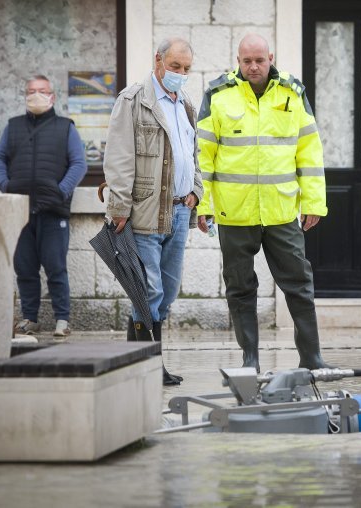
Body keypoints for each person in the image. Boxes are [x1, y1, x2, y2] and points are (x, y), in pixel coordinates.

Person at [196, 33, 331, 373]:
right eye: (246, 61)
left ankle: (311, 357)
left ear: (271, 57)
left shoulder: (292, 92)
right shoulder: (217, 94)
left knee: (299, 285)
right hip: (234, 213)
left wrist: (313, 201)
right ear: (237, 60)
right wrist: (203, 205)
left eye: (260, 60)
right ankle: (250, 357)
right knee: (240, 289)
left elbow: (309, 151)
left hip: (281, 211)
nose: (253, 66)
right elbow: (203, 157)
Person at [102, 38, 203, 386]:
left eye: (187, 69)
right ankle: (149, 368)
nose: (181, 74)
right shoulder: (133, 101)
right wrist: (118, 208)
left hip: (177, 212)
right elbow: (118, 158)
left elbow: (193, 155)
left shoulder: (185, 103)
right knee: (149, 292)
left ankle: (137, 365)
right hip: (143, 212)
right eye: (175, 67)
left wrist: (196, 193)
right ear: (158, 61)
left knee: (167, 293)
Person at [0, 74, 87, 340]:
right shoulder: (13, 127)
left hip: (53, 209)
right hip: (20, 210)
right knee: (25, 268)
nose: (36, 95)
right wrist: (5, 185)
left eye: (41, 90)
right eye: (31, 91)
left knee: (56, 268)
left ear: (52, 96)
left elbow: (79, 164)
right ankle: (30, 318)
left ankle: (62, 319)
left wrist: (61, 190)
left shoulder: (65, 127)